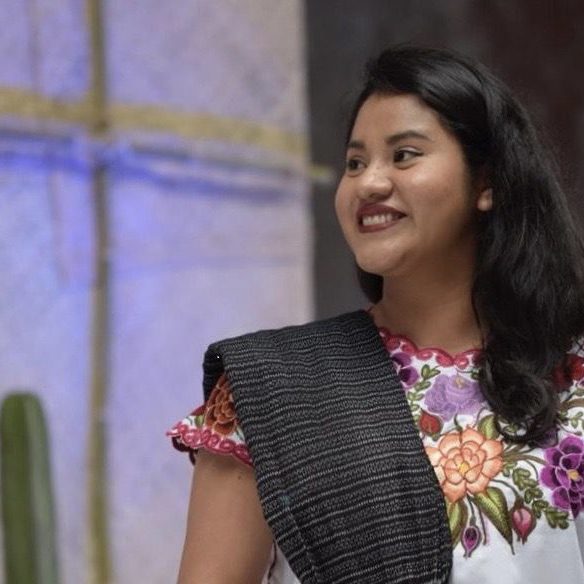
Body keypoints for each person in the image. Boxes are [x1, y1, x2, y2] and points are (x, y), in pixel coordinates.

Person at [168, 45, 584, 583]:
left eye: (404, 155)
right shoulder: (271, 389)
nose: (369, 183)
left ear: (487, 183)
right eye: (355, 163)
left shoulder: (572, 373)